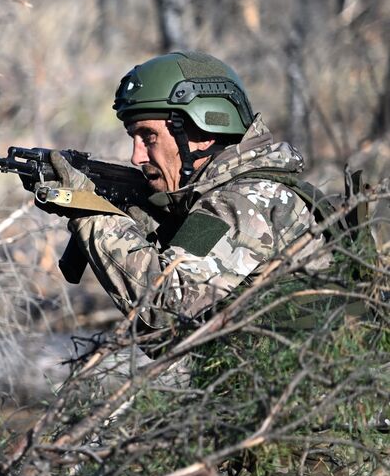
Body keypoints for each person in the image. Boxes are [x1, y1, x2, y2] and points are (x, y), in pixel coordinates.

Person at [48, 51, 331, 336]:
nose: (136, 156)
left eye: (148, 137)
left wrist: (92, 214)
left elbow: (166, 307)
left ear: (203, 132)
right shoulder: (228, 197)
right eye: (132, 137)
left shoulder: (242, 202)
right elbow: (175, 340)